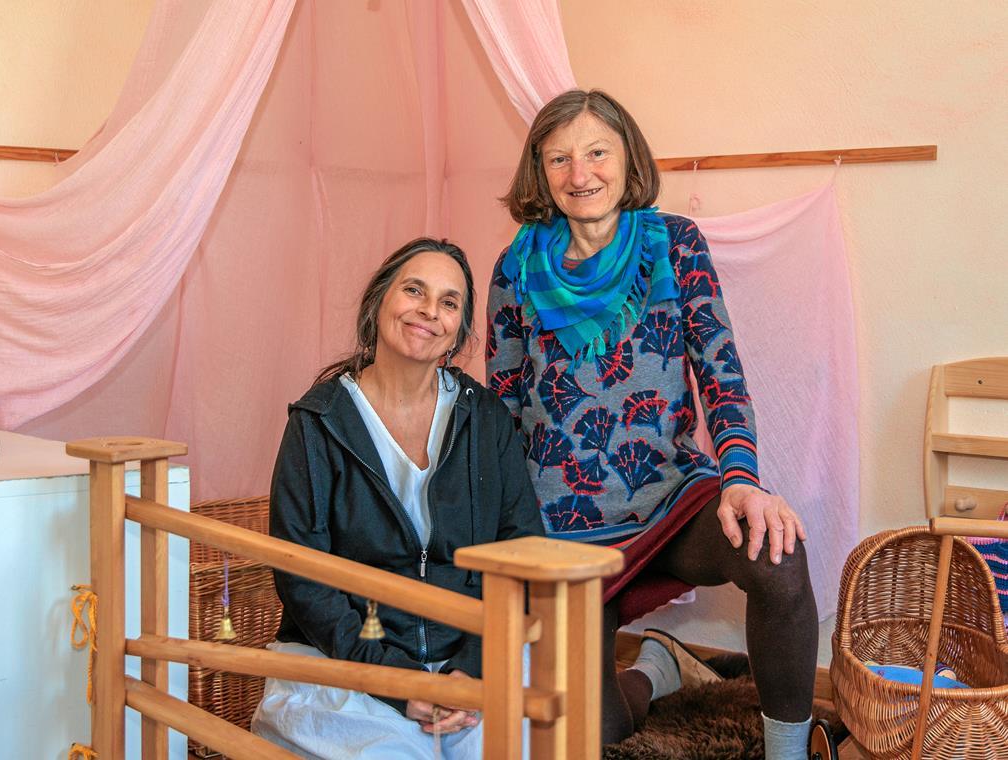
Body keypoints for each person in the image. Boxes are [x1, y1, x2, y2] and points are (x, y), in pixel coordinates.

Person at [486, 89, 819, 759]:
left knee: (778, 554)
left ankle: (789, 753)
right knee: (592, 732)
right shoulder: (515, 268)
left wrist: (741, 479)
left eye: (596, 152)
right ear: (539, 172)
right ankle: (657, 671)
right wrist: (500, 527)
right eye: (559, 159)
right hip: (564, 531)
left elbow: (719, 370)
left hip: (672, 499)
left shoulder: (676, 244)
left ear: (627, 156)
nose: (581, 175)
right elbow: (502, 407)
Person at [253, 237, 544, 759]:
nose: (430, 311)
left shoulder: (488, 419)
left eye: (450, 302)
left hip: (468, 655)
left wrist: (471, 669)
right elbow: (303, 578)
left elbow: (520, 550)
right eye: (415, 290)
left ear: (459, 330)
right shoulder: (318, 424)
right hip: (347, 659)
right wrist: (399, 681)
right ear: (379, 302)